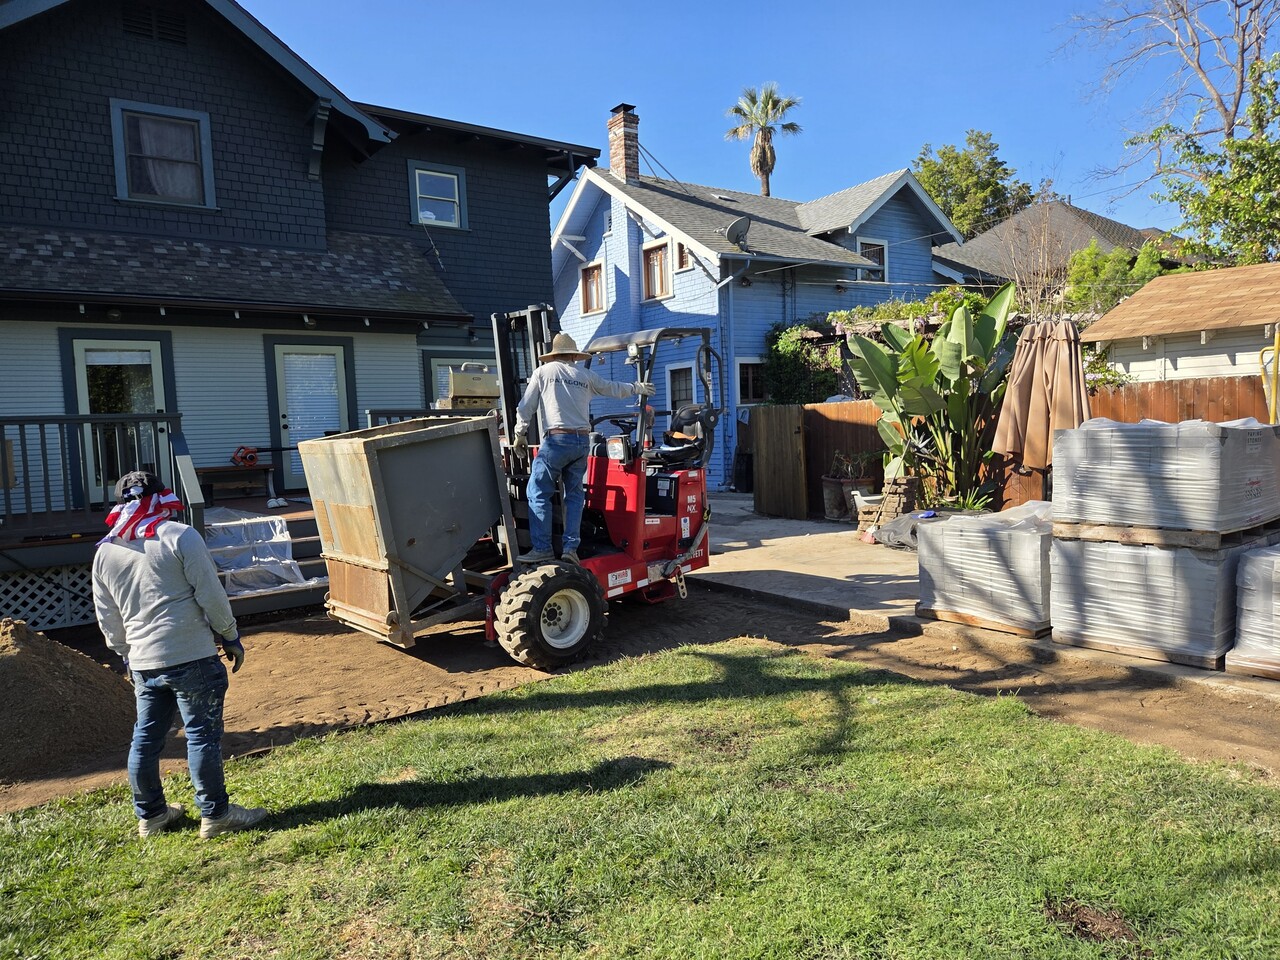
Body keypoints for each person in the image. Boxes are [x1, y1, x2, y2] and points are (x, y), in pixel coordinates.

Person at [92, 470, 267, 839]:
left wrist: (126, 654)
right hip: (191, 655)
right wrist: (230, 635)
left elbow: (108, 617)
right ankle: (215, 814)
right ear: (162, 498)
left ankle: (152, 815)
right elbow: (211, 594)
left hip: (143, 661)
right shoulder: (180, 535)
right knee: (201, 735)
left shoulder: (105, 552)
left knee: (145, 739)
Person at [512, 332, 654, 564]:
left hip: (557, 441)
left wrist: (520, 433)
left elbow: (526, 406)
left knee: (537, 492)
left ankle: (542, 548)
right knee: (574, 496)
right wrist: (637, 388)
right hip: (581, 442)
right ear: (573, 356)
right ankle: (570, 548)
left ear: (554, 355)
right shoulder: (585, 375)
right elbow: (613, 388)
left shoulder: (543, 372)